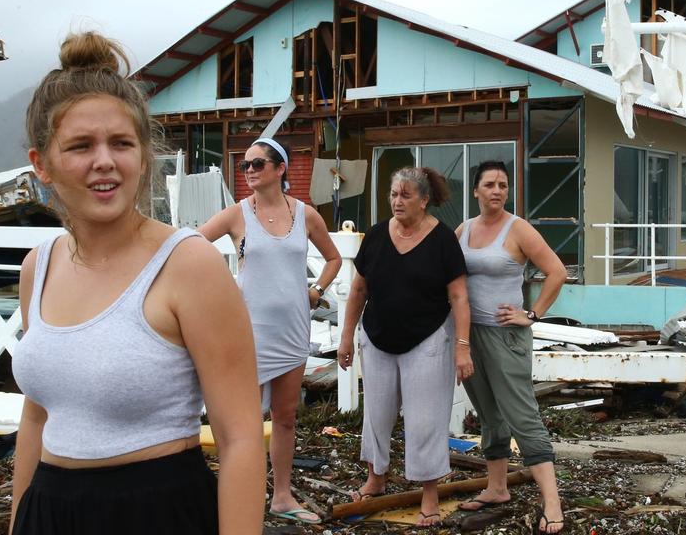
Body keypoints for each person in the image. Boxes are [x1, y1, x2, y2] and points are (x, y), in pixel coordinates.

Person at [10, 32, 266, 535]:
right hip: (49, 511)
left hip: (155, 512)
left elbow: (239, 439)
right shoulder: (37, 267)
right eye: (80, 146)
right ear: (42, 164)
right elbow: (36, 419)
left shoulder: (187, 265)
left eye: (121, 143)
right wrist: (18, 521)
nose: (104, 160)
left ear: (143, 156)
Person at [198, 136, 342, 524]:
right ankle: (235, 497)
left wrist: (317, 290)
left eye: (258, 163)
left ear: (280, 169)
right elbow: (192, 245)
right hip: (249, 332)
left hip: (293, 328)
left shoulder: (306, 215)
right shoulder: (237, 214)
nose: (249, 171)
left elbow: (333, 257)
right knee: (241, 420)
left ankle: (280, 496)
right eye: (245, 165)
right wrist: (219, 289)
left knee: (286, 416)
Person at [336, 166, 474, 527]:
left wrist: (462, 348)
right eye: (394, 194)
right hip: (378, 337)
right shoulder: (379, 235)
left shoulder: (443, 239)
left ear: (424, 200)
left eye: (405, 195)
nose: (397, 201)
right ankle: (376, 478)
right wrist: (347, 336)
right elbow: (358, 289)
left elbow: (458, 296)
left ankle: (429, 493)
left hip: (427, 339)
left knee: (425, 419)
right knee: (376, 415)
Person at [454, 160, 568, 535]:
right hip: (472, 336)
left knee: (522, 416)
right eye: (489, 184)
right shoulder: (463, 230)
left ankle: (552, 502)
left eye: (503, 184)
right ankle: (497, 487)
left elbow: (557, 271)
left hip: (507, 336)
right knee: (489, 413)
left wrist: (532, 315)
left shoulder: (517, 228)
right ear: (476, 191)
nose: (497, 190)